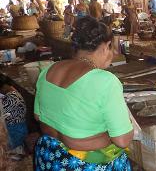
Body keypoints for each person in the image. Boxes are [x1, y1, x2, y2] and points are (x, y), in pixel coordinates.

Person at [34, 16, 133, 170]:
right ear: (106, 46)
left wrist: (70, 134)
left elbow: (39, 116)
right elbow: (122, 140)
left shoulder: (48, 70)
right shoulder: (106, 81)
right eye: (111, 48)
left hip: (50, 157)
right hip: (83, 165)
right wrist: (99, 137)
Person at [0, 75, 27, 150]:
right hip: (17, 128)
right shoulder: (12, 92)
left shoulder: (11, 99)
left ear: (3, 87)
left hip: (15, 131)